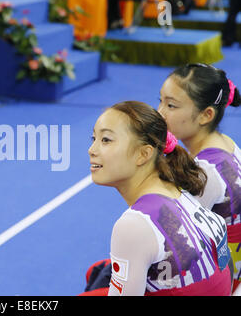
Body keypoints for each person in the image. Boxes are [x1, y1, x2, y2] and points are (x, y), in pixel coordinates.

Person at [83, 100, 232, 296]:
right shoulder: (179, 191)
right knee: (98, 271)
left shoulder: (133, 225)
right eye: (94, 138)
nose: (91, 150)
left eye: (106, 140)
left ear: (143, 154)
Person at [158, 63, 241, 292]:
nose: (160, 112)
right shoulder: (226, 144)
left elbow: (176, 244)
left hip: (225, 279)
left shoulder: (203, 170)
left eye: (171, 105)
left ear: (206, 115)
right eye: (161, 101)